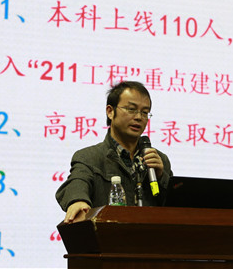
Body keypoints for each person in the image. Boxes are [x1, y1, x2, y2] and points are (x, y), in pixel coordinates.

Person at [56, 81, 172, 224]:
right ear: (110, 111)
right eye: (131, 109)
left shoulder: (159, 160)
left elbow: (175, 209)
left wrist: (161, 177)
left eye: (145, 112)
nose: (139, 117)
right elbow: (77, 182)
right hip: (107, 236)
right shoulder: (89, 157)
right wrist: (77, 201)